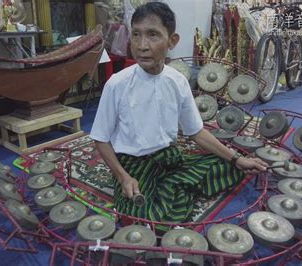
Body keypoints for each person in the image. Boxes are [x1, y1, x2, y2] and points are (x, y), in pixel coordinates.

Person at [90, 2, 268, 223]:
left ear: (172, 41)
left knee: (228, 168)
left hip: (169, 158)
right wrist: (123, 177)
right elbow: (100, 139)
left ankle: (173, 184)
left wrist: (237, 159)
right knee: (144, 216)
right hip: (132, 165)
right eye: (136, 35)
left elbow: (196, 132)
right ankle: (170, 187)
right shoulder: (117, 84)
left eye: (153, 35)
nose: (142, 45)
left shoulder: (178, 81)